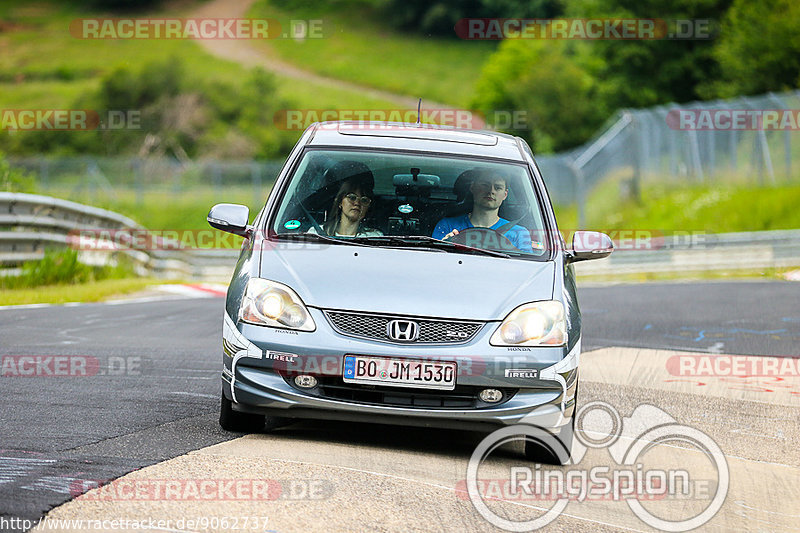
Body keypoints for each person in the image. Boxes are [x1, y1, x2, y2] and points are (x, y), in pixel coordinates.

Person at [432, 169, 532, 252]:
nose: (491, 191)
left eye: (498, 187)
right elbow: (435, 261)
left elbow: (527, 268)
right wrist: (445, 245)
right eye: (485, 185)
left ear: (505, 194)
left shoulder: (519, 233)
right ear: (472, 187)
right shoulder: (447, 226)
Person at [309, 167, 383, 237]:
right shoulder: (316, 234)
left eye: (364, 200)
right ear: (340, 202)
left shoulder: (375, 237)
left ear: (368, 207)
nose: (357, 203)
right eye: (352, 197)